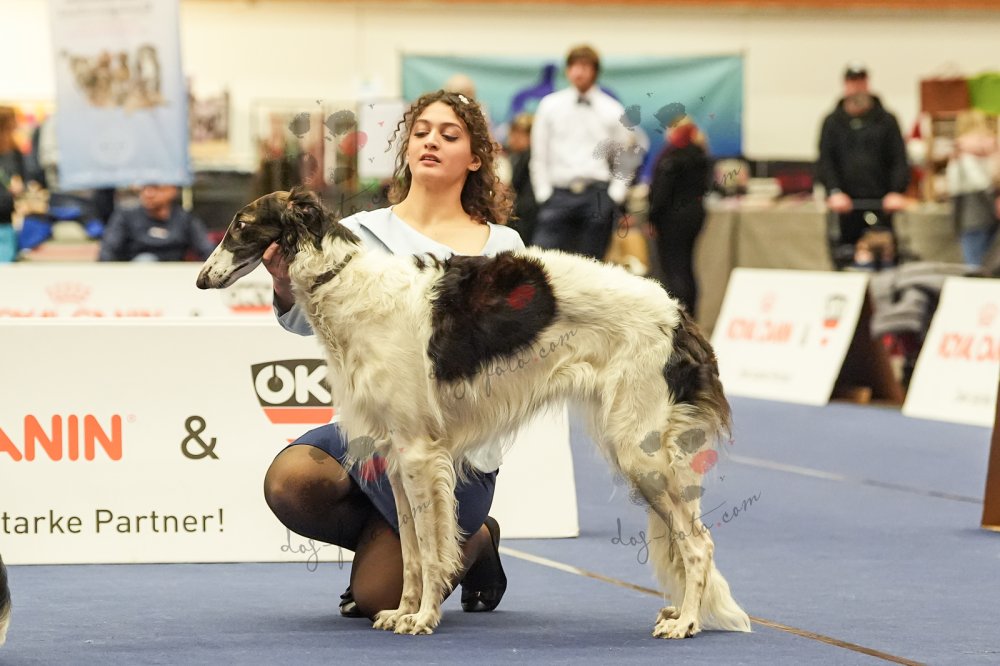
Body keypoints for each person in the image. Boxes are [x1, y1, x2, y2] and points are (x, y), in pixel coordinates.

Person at [261, 90, 522, 620]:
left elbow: (512, 358)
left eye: (449, 135)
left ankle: (473, 542)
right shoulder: (359, 232)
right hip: (371, 435)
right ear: (407, 148)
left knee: (377, 601)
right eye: (421, 132)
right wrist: (287, 286)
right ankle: (403, 540)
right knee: (292, 482)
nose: (431, 142)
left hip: (457, 453)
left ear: (475, 159)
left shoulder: (504, 245)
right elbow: (303, 324)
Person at [529, 44, 634, 260]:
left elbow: (625, 157)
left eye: (585, 66)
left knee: (591, 265)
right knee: (543, 261)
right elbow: (539, 154)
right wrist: (543, 193)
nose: (579, 72)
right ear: (567, 70)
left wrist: (615, 195)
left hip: (596, 194)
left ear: (595, 71)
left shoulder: (612, 109)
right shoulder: (550, 105)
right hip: (558, 194)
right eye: (574, 66)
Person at [817, 63, 910, 269]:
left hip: (881, 203)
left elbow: (899, 159)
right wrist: (834, 191)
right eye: (852, 82)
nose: (857, 87)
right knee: (846, 256)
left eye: (861, 81)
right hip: (846, 206)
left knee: (885, 252)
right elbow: (825, 161)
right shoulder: (832, 122)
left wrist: (896, 191)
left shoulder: (886, 120)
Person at [648, 119, 710, 315]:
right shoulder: (701, 154)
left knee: (672, 268)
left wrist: (652, 217)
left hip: (671, 219)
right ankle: (691, 314)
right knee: (686, 266)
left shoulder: (672, 156)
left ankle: (676, 315)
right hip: (695, 216)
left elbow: (661, 192)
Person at [98, 184, 215, 261]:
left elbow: (207, 250)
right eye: (144, 188)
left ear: (173, 190)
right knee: (145, 260)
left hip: (173, 278)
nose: (148, 194)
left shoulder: (185, 219)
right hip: (135, 279)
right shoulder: (125, 216)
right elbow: (107, 251)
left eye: (156, 188)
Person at [946, 109, 1000, 267]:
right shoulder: (979, 154)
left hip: (972, 217)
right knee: (983, 265)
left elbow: (958, 188)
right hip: (982, 216)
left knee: (975, 267)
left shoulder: (962, 155)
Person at [505, 113, 538, 244]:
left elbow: (515, 183)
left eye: (517, 134)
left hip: (528, 212)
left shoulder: (529, 156)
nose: (512, 139)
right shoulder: (516, 156)